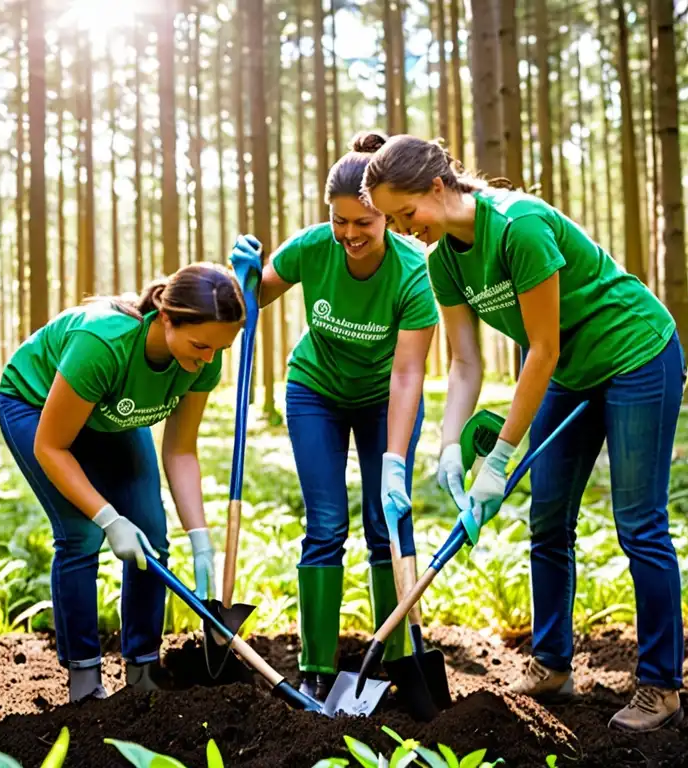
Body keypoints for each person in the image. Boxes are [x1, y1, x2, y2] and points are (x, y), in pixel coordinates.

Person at [362, 134, 688, 732]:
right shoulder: (444, 262)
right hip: (570, 369)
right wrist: (452, 445)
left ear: (437, 187)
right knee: (548, 518)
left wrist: (501, 459)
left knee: (639, 524)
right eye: (394, 220)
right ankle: (552, 665)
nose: (406, 230)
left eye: (407, 214)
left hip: (636, 353)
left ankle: (662, 686)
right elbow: (465, 363)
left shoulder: (520, 227)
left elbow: (541, 347)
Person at [229, 132, 440, 701]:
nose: (348, 234)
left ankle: (397, 657)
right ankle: (316, 667)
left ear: (389, 220)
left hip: (383, 399)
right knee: (325, 526)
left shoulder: (414, 272)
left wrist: (395, 460)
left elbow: (407, 375)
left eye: (363, 224)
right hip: (315, 391)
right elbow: (248, 306)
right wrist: (242, 277)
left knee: (386, 524)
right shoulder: (312, 248)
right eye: (339, 221)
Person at [0, 263, 245, 702]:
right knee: (81, 534)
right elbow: (51, 447)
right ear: (167, 318)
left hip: (112, 412)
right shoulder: (104, 342)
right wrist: (109, 518)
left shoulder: (205, 355)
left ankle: (142, 672)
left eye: (218, 348)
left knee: (151, 536)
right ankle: (86, 681)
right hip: (35, 404)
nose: (208, 359)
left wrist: (201, 539)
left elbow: (181, 450)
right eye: (201, 345)